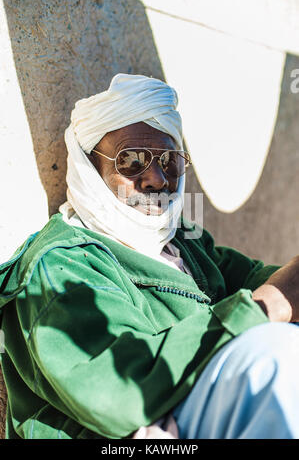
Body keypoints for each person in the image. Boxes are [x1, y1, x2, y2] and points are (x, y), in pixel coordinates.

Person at [1, 73, 299, 440]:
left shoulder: (182, 245)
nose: (157, 178)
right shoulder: (60, 267)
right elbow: (116, 395)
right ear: (89, 170)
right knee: (274, 356)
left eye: (170, 160)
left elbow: (266, 281)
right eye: (132, 161)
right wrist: (263, 307)